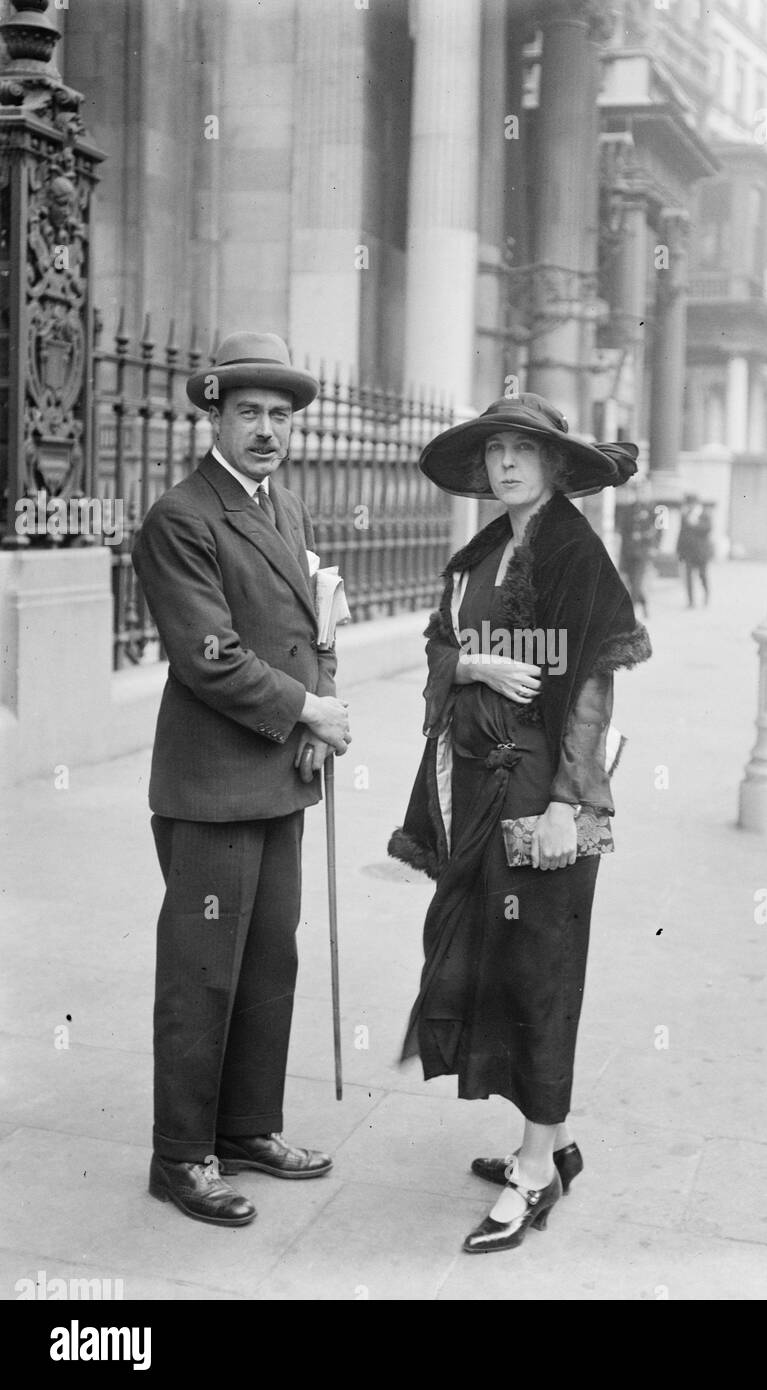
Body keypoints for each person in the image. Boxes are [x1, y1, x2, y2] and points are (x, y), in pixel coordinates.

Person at [387, 393, 651, 1253]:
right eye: (494, 449)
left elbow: (592, 690)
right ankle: (555, 1140)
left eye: (523, 449)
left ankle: (535, 1172)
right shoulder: (482, 553)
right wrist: (473, 662)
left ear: (555, 462)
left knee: (540, 966)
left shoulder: (574, 552)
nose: (505, 463)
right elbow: (436, 647)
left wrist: (573, 805)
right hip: (481, 790)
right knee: (497, 960)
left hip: (543, 793)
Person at [132, 332, 352, 1227]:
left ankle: (250, 1127)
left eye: (282, 417)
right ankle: (182, 1156)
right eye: (251, 413)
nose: (268, 430)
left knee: (269, 960)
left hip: (279, 772)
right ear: (215, 415)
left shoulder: (284, 507)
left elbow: (315, 628)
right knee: (202, 973)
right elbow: (210, 657)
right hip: (214, 786)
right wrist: (305, 708)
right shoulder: (180, 518)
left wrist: (318, 712)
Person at [616, 476, 659, 617]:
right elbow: (623, 532)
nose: (642, 493)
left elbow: (661, 531)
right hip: (629, 551)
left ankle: (631, 613)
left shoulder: (658, 509)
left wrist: (655, 547)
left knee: (636, 581)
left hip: (644, 550)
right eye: (639, 491)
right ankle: (644, 603)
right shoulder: (628, 509)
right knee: (631, 580)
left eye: (645, 490)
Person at [676, 492, 712, 606]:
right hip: (688, 552)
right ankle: (691, 601)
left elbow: (708, 528)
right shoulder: (685, 515)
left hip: (701, 552)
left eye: (692, 503)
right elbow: (681, 533)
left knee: (702, 575)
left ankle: (706, 595)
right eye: (689, 504)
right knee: (688, 578)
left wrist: (695, 524)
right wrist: (679, 550)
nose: (690, 506)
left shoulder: (704, 514)